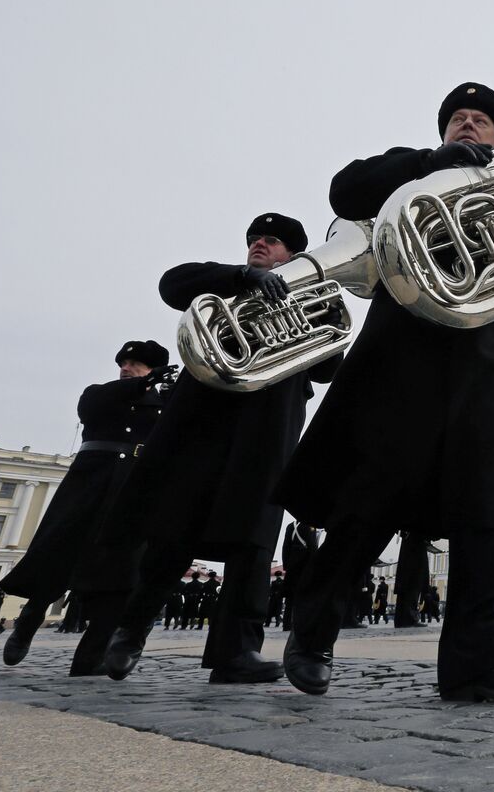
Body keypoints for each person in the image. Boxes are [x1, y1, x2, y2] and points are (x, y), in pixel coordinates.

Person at [276, 83, 494, 704]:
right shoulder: (409, 168)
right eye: (458, 118)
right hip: (405, 344)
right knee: (374, 489)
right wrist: (426, 165)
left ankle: (477, 659)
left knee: (492, 498)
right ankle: (314, 626)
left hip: (489, 344)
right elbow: (344, 190)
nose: (468, 124)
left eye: (481, 120)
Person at [101, 213, 343, 685]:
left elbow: (326, 370)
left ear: (291, 253)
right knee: (176, 526)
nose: (259, 244)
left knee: (254, 536)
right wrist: (242, 278)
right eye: (254, 239)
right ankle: (130, 633)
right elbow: (173, 284)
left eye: (271, 241)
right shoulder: (226, 285)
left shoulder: (312, 294)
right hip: (205, 416)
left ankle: (236, 652)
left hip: (269, 420)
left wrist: (329, 321)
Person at [0, 340, 170, 672]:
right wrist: (141, 383)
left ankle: (91, 659)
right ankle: (28, 621)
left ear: (152, 369)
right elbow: (90, 408)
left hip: (132, 487)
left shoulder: (163, 403)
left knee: (121, 570)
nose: (125, 367)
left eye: (135, 364)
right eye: (124, 362)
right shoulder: (100, 393)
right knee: (60, 555)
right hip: (90, 481)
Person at [280, 521, 321, 632]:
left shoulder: (290, 526)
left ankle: (286, 624)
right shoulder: (310, 525)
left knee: (290, 598)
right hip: (305, 564)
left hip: (292, 564)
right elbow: (312, 545)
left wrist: (286, 565)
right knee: (304, 595)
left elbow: (285, 546)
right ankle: (300, 623)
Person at [393, 533, 431, 628]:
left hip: (410, 544)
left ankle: (401, 619)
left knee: (408, 585)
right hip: (416, 544)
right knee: (414, 582)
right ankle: (409, 618)